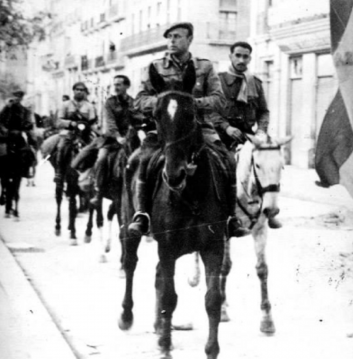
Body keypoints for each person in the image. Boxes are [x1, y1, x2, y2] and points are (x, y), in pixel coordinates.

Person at [128, 22, 250, 238]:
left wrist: (194, 104)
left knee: (228, 160)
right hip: (165, 129)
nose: (172, 41)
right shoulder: (155, 67)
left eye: (177, 37)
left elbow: (219, 99)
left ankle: (230, 217)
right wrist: (163, 103)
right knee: (143, 159)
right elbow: (139, 100)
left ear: (189, 39)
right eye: (169, 37)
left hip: (198, 127)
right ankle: (142, 214)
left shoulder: (204, 66)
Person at [216, 41, 280, 229]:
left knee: (269, 162)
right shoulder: (217, 81)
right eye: (238, 55)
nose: (241, 60)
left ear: (250, 58)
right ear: (230, 56)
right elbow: (208, 111)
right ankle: (220, 214)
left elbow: (263, 111)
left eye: (245, 56)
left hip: (247, 136)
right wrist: (226, 127)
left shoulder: (255, 83)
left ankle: (269, 209)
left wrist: (261, 131)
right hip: (219, 135)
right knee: (216, 169)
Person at [73, 75, 135, 207]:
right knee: (101, 159)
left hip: (129, 138)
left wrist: (132, 132)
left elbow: (137, 119)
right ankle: (99, 191)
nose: (116, 87)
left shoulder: (133, 102)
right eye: (115, 85)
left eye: (119, 84)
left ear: (127, 86)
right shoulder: (110, 102)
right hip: (111, 140)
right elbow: (110, 122)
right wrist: (118, 137)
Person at [55, 82, 97, 169]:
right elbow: (59, 121)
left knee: (95, 147)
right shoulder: (65, 104)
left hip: (85, 132)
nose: (79, 92)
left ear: (85, 92)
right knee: (62, 147)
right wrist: (70, 123)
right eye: (77, 89)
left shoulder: (89, 106)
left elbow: (93, 121)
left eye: (81, 90)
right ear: (73, 91)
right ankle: (59, 172)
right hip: (69, 131)